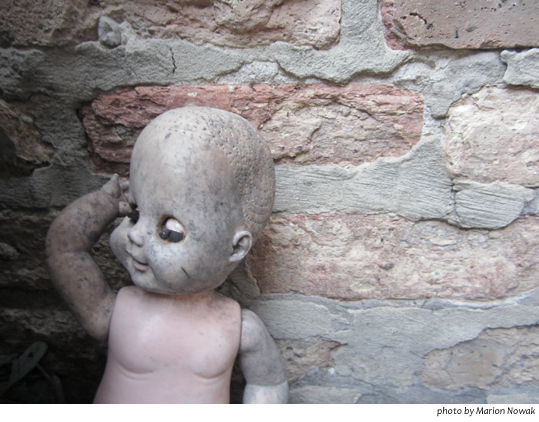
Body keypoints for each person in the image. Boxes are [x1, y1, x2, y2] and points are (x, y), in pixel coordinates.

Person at [46, 107, 288, 403]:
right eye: (134, 214)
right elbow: (64, 250)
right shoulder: (117, 311)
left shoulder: (239, 328)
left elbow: (268, 384)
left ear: (235, 248)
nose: (135, 235)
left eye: (170, 230)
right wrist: (103, 204)